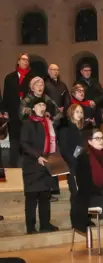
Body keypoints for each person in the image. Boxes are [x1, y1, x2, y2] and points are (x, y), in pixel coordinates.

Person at [20, 96, 59, 234]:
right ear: (33, 108)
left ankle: (45, 224)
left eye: (44, 105)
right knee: (31, 198)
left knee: (45, 196)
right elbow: (24, 144)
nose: (42, 107)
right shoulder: (27, 123)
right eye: (39, 105)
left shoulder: (48, 123)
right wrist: (38, 156)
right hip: (32, 165)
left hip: (47, 164)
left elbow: (54, 143)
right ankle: (31, 227)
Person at [2, 53, 36, 167]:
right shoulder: (9, 77)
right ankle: (13, 165)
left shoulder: (33, 77)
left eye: (27, 60)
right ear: (18, 61)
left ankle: (28, 166)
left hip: (27, 114)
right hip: (13, 112)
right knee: (14, 140)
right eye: (23, 59)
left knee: (27, 140)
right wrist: (4, 111)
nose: (25, 62)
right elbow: (6, 95)